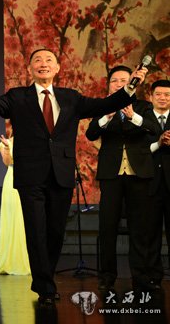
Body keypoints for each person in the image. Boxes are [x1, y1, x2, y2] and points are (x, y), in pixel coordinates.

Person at [0, 50, 147, 306]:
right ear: (30, 68)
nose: (43, 64)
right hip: (30, 174)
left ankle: (44, 276)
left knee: (55, 231)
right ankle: (45, 287)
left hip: (61, 172)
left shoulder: (71, 97)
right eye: (37, 60)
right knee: (36, 229)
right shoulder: (18, 96)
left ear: (58, 67)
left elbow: (105, 105)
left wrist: (131, 86)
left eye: (49, 60)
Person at [85, 66, 157, 293]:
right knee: (108, 227)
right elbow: (91, 133)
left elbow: (154, 129)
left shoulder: (143, 106)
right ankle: (107, 276)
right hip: (111, 175)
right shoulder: (103, 107)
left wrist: (133, 116)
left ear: (133, 83)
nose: (119, 84)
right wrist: (106, 116)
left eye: (124, 80)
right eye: (115, 80)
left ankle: (141, 277)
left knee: (140, 228)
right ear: (109, 85)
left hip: (139, 174)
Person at [0, 133, 31, 276]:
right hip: (12, 180)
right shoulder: (7, 141)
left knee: (27, 220)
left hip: (29, 180)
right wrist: (8, 147)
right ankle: (11, 261)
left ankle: (31, 261)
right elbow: (7, 162)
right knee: (12, 220)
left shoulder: (33, 139)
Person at [145, 79, 170, 289]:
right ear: (151, 96)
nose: (163, 98)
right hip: (149, 185)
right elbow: (137, 151)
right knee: (150, 235)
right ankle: (153, 277)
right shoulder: (141, 119)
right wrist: (158, 143)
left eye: (167, 95)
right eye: (159, 94)